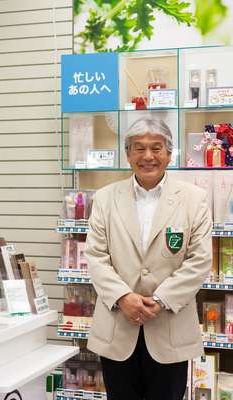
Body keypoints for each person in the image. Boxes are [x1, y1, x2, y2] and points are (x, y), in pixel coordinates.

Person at [85, 117, 212, 400]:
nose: (148, 156)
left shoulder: (194, 199)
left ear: (169, 153)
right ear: (128, 153)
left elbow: (200, 260)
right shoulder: (105, 198)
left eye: (157, 148)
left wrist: (162, 298)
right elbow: (95, 255)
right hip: (117, 327)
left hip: (170, 327)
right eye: (139, 148)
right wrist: (122, 297)